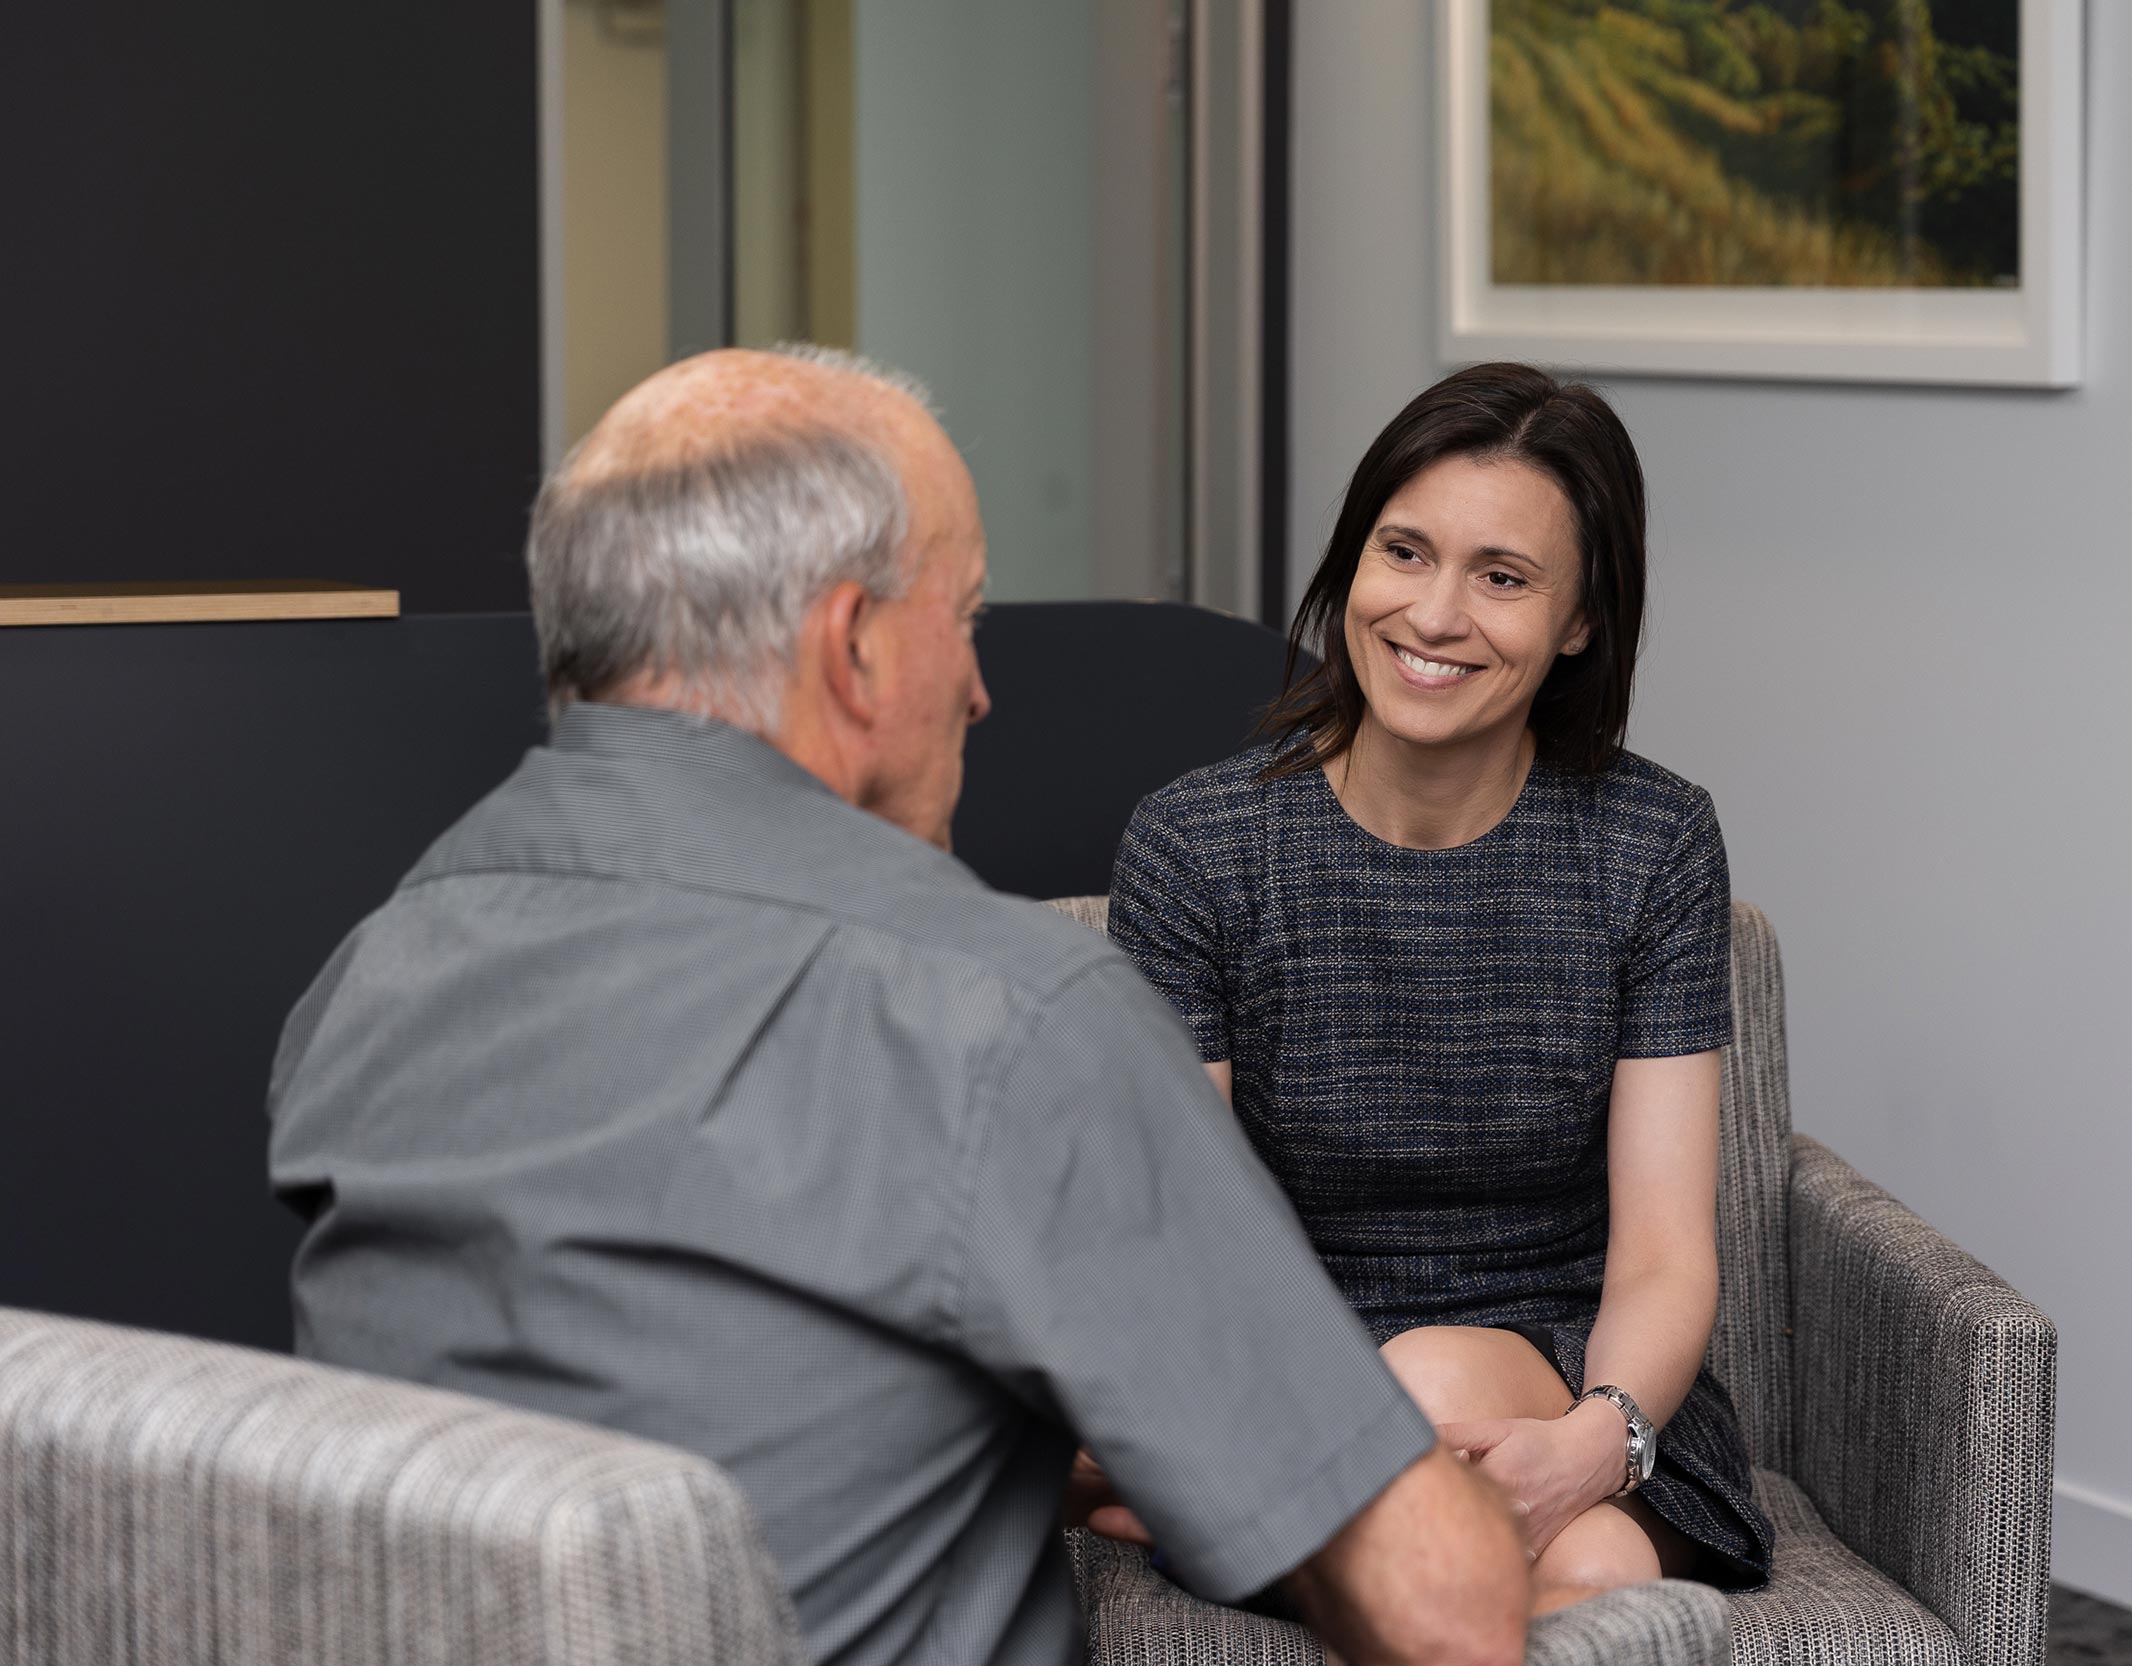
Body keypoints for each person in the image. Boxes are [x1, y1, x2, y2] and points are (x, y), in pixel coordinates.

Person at [266, 347, 1530, 1666]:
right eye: (965, 615)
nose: (981, 687)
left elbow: (617, 1409)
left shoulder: (376, 971)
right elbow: (1444, 1608)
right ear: (854, 647)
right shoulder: (1002, 1016)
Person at [1108, 362, 1775, 1612]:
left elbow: (1663, 1257)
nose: (1434, 614)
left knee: (1522, 1477)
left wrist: (1597, 1441)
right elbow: (1190, 1249)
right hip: (1295, 1379)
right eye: (1403, 552)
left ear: (1580, 620)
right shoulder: (1196, 846)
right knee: (1590, 1574)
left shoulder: (1653, 842)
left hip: (1584, 1375)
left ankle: (1260, 1507)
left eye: (1502, 577)